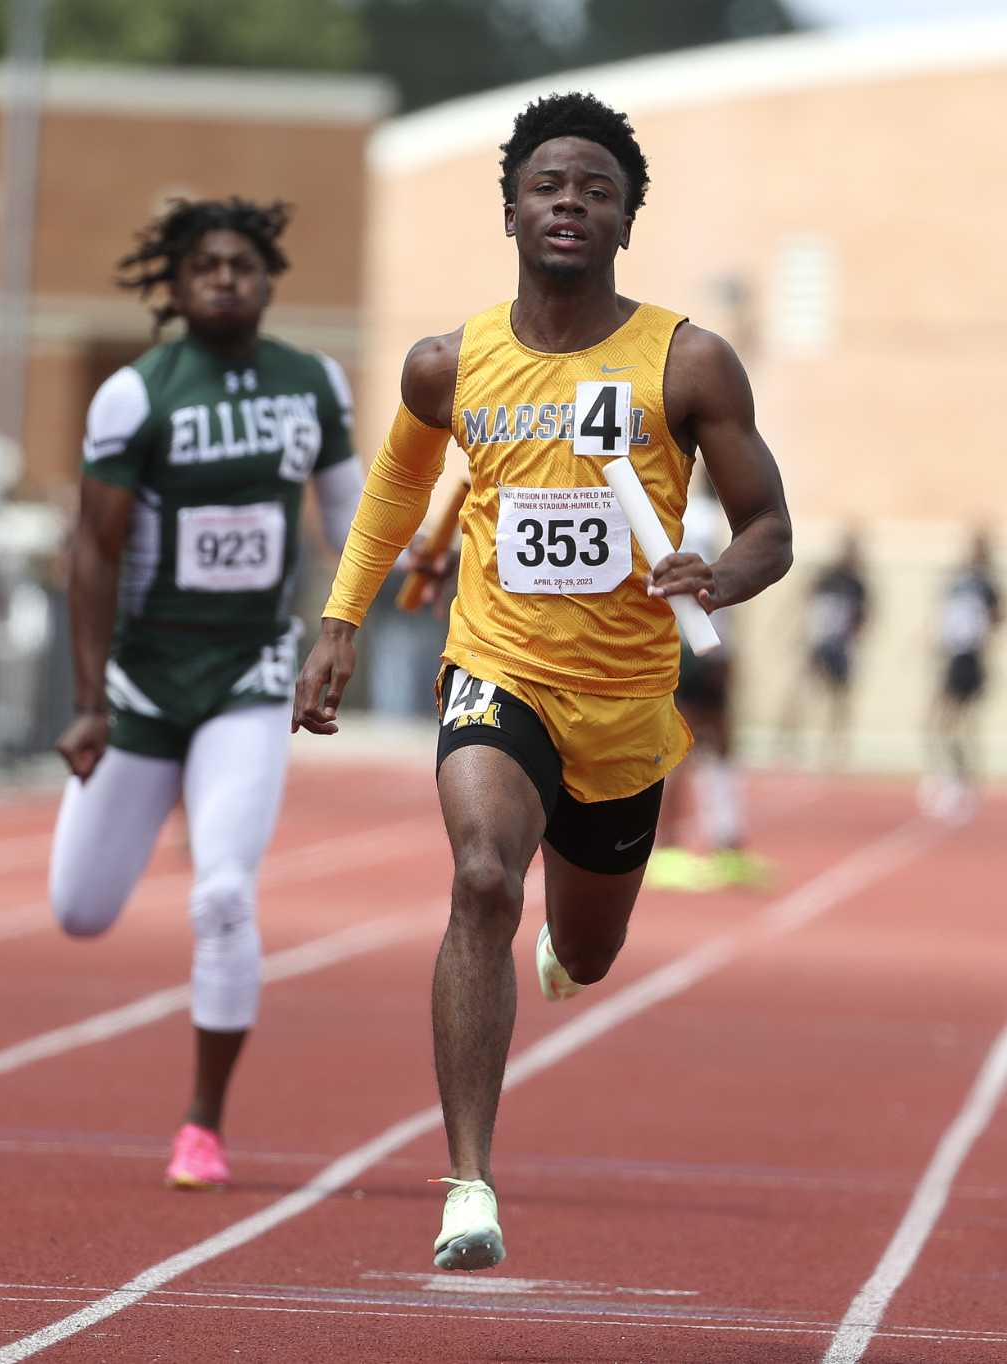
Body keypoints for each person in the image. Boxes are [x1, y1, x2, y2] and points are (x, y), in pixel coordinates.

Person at [291, 93, 792, 1271]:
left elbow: (769, 524)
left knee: (590, 945)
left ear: (626, 217)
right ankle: (468, 1180)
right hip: (497, 667)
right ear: (511, 205)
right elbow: (392, 497)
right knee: (477, 878)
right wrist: (339, 620)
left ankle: (575, 946)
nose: (569, 201)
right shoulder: (447, 362)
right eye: (548, 184)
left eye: (596, 189)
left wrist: (713, 576)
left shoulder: (686, 360)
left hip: (626, 705)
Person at [47, 198, 363, 1190]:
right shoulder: (135, 395)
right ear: (175, 286)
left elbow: (352, 517)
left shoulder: (311, 383)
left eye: (242, 263)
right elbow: (92, 553)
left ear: (268, 278)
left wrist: (332, 638)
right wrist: (91, 699)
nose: (225, 277)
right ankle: (138, 789)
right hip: (142, 678)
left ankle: (202, 1123)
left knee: (224, 891)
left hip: (247, 674)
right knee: (80, 909)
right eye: (206, 265)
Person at [650, 469, 769, 891]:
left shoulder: (709, 520)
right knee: (685, 742)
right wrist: (711, 647)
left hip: (709, 645)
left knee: (718, 743)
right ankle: (666, 845)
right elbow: (694, 587)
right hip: (699, 646)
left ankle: (725, 841)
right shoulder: (700, 522)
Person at [919, 528, 1006, 819]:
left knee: (954, 724)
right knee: (942, 723)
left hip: (968, 658)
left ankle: (959, 781)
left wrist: (981, 637)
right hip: (954, 657)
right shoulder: (957, 581)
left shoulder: (986, 585)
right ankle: (953, 778)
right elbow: (944, 618)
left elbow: (1000, 619)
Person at [776, 531, 870, 768]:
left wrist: (854, 638)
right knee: (800, 690)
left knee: (839, 698)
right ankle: (787, 743)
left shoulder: (857, 584)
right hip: (818, 642)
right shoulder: (826, 576)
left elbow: (864, 616)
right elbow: (806, 599)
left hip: (840, 646)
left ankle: (834, 748)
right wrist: (796, 631)